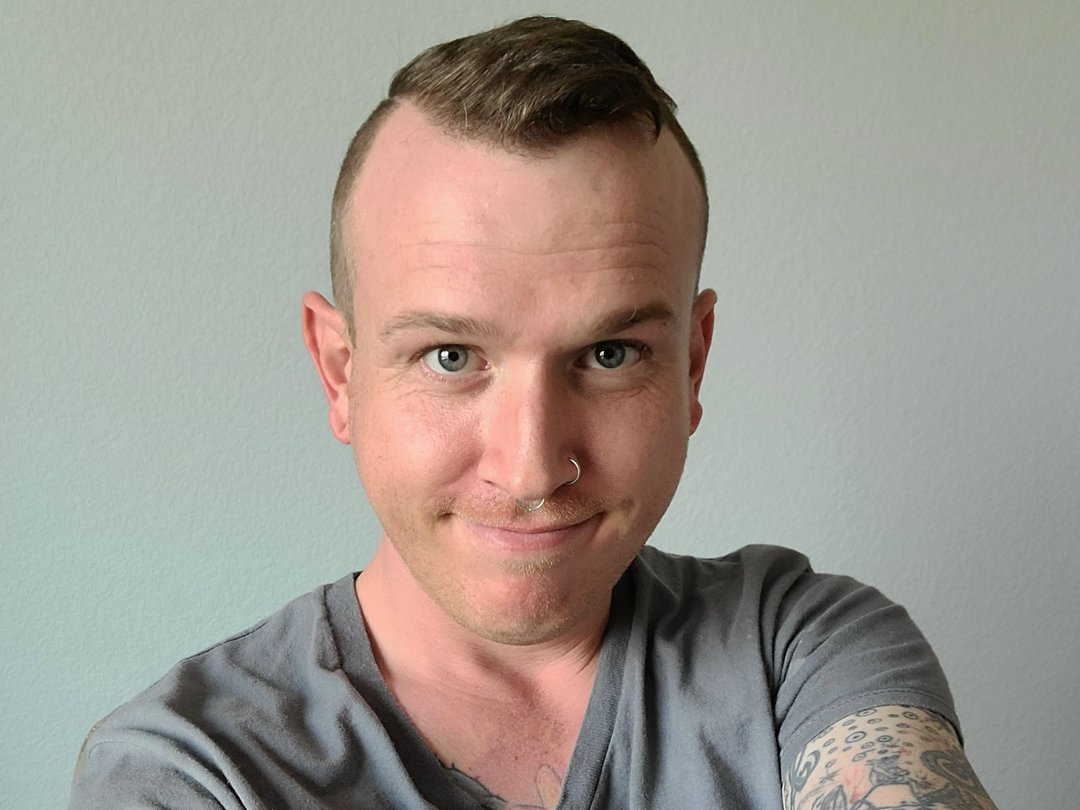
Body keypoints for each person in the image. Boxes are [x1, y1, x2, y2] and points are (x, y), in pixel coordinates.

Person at [69, 16, 997, 809]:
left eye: (609, 354)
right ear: (340, 373)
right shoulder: (193, 770)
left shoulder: (796, 651)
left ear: (692, 363)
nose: (531, 467)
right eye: (450, 357)